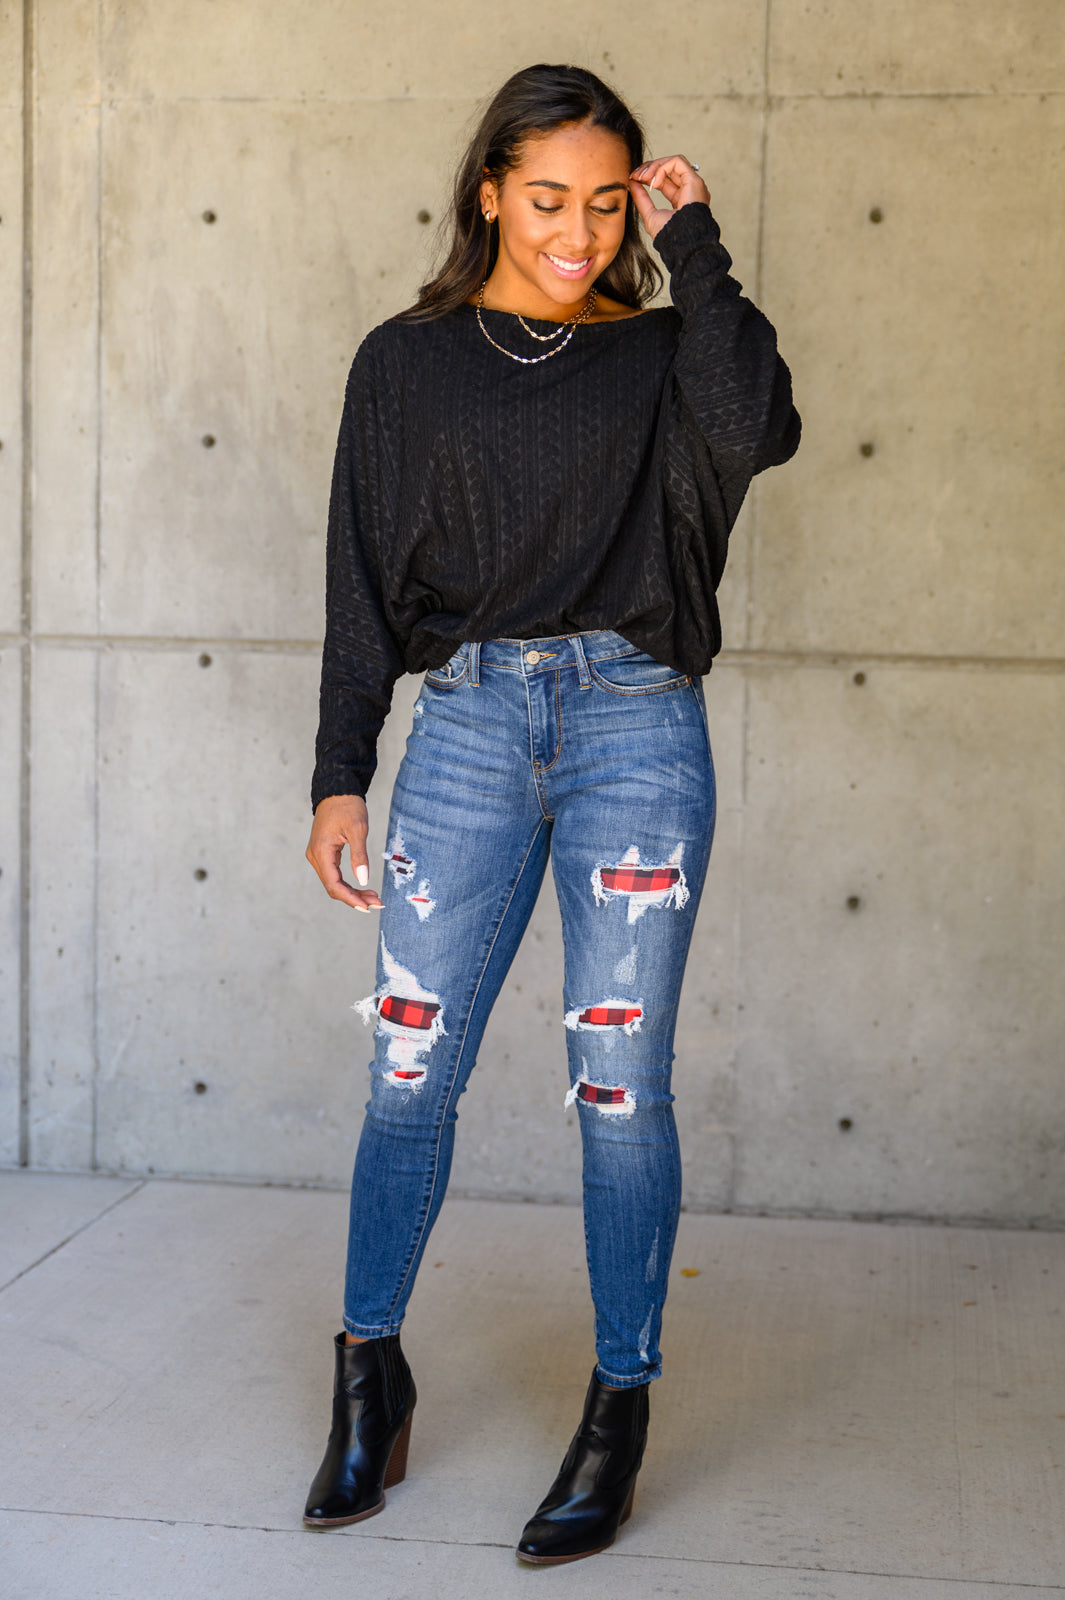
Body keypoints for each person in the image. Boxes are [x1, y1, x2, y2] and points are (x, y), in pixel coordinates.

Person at [302, 62, 800, 1564]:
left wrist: (694, 241)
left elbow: (756, 422)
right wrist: (339, 768)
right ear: (489, 193)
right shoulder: (405, 363)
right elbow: (359, 572)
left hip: (634, 730)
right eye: (545, 200)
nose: (577, 233)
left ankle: (618, 1406)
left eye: (604, 203)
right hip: (464, 725)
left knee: (620, 1088)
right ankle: (368, 1373)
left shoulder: (660, 353)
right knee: (409, 1071)